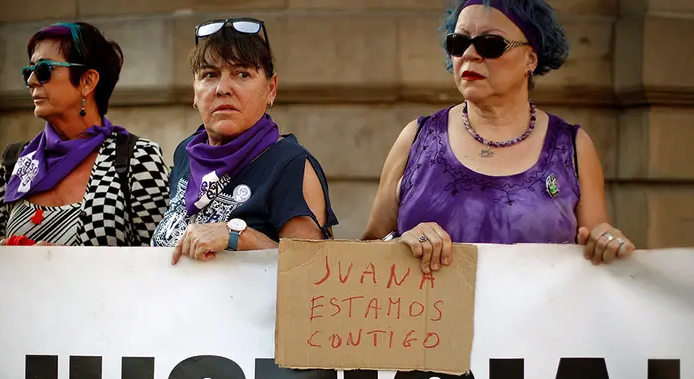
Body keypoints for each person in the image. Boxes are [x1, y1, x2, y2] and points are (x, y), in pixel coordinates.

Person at [362, 0, 636, 273]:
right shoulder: (417, 138)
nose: (469, 54)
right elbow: (365, 251)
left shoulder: (572, 146)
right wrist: (399, 244)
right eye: (458, 43)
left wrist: (607, 243)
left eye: (490, 44)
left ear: (531, 58)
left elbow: (596, 254)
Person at [151, 17, 337, 263]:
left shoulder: (290, 165)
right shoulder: (186, 152)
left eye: (242, 74)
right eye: (209, 75)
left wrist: (237, 236)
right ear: (194, 91)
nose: (222, 88)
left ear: (271, 89)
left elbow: (310, 270)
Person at [0, 22, 169, 246]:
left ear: (87, 81)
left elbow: (160, 257)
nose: (31, 81)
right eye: (29, 70)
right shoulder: (15, 160)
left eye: (44, 70)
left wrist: (66, 262)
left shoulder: (138, 159)